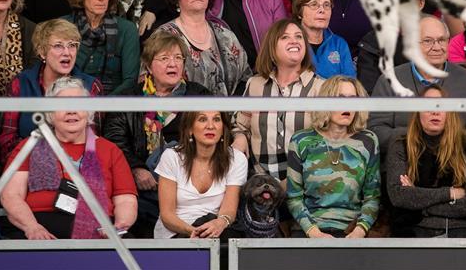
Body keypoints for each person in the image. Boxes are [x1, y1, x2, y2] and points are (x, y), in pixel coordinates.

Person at [0, 76, 137, 239]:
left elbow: (126, 200)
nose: (71, 111)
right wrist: (32, 227)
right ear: (50, 113)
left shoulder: (110, 150)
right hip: (39, 228)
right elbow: (11, 196)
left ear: (89, 112)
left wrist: (117, 227)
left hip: (99, 229)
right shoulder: (29, 146)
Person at [103, 31, 210, 237]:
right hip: (143, 190)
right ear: (149, 65)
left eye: (178, 58)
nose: (173, 64)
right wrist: (136, 168)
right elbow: (115, 141)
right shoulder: (128, 99)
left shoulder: (199, 95)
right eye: (164, 58)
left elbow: (213, 138)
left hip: (187, 188)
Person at [370, 15, 466, 153]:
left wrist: (465, 157)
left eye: (442, 40)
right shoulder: (389, 81)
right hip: (403, 163)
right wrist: (417, 137)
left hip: (455, 165)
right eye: (428, 41)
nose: (437, 47)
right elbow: (376, 130)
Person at [385, 85, 466, 238]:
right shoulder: (400, 145)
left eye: (441, 106)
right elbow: (399, 196)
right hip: (413, 229)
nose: (435, 112)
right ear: (417, 113)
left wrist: (420, 203)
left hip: (462, 229)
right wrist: (451, 193)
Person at [232, 19, 326, 181]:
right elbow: (239, 125)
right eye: (285, 37)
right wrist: (240, 137)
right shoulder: (255, 85)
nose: (294, 41)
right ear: (271, 47)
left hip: (307, 182)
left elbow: (331, 139)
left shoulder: (321, 88)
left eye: (298, 37)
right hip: (260, 182)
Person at [287, 76, 380, 238]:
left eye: (353, 99)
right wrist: (314, 233)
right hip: (309, 228)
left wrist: (359, 231)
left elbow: (373, 197)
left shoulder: (368, 141)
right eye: (340, 98)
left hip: (352, 228)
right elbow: (293, 198)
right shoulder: (301, 140)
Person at [0, 20, 102, 158]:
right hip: (26, 166)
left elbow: (92, 141)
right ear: (42, 51)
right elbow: (7, 141)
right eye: (58, 46)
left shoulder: (91, 87)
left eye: (72, 45)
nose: (67, 53)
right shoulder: (20, 84)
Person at [153, 110, 247, 239]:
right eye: (202, 120)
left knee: (231, 236)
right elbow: (167, 215)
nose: (210, 126)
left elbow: (229, 210)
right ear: (190, 129)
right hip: (177, 231)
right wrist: (194, 231)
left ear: (223, 128)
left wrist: (220, 223)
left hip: (215, 230)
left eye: (216, 119)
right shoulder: (172, 157)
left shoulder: (236, 159)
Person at [158, 0, 251, 96]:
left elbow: (245, 79)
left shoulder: (225, 34)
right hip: (181, 114)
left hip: (228, 113)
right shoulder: (164, 35)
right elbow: (155, 86)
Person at [60, 0, 141, 96]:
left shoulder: (127, 29)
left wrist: (101, 107)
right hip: (69, 102)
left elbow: (130, 81)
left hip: (113, 107)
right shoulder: (63, 27)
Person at [291, 0, 355, 79]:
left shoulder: (339, 44)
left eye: (326, 5)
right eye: (314, 4)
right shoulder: (290, 43)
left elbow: (351, 83)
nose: (322, 10)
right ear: (299, 12)